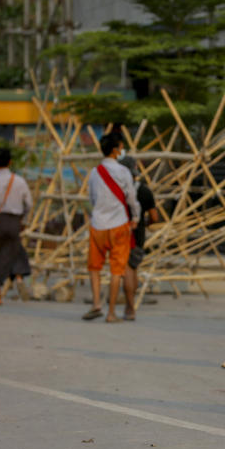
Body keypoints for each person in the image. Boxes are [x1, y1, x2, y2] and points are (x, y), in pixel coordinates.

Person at [84, 134, 141, 323]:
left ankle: (96, 303)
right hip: (119, 225)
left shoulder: (94, 172)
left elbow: (91, 198)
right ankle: (111, 313)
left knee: (94, 267)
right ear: (116, 150)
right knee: (117, 270)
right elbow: (131, 198)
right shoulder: (124, 171)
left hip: (98, 225)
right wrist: (135, 217)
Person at [0, 147, 32, 305]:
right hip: (15, 221)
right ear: (10, 162)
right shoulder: (20, 181)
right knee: (15, 250)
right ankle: (19, 277)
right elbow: (29, 203)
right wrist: (23, 218)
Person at [119, 156, 159, 319]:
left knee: (126, 270)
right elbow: (154, 217)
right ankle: (130, 304)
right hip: (139, 235)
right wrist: (145, 222)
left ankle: (130, 307)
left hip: (123, 232)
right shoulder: (144, 191)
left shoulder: (119, 190)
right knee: (133, 268)